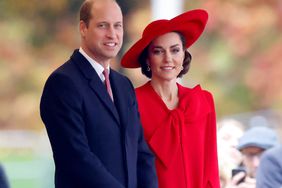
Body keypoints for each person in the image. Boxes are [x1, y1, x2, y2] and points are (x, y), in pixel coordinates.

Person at [40, 0, 158, 187]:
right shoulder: (62, 83)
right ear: (83, 28)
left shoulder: (124, 85)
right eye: (103, 25)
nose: (112, 34)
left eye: (117, 26)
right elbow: (76, 158)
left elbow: (141, 152)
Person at [121, 9, 220, 188]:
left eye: (175, 50)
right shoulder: (132, 102)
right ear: (148, 59)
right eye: (158, 51)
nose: (168, 59)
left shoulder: (202, 101)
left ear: (184, 55)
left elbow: (211, 166)